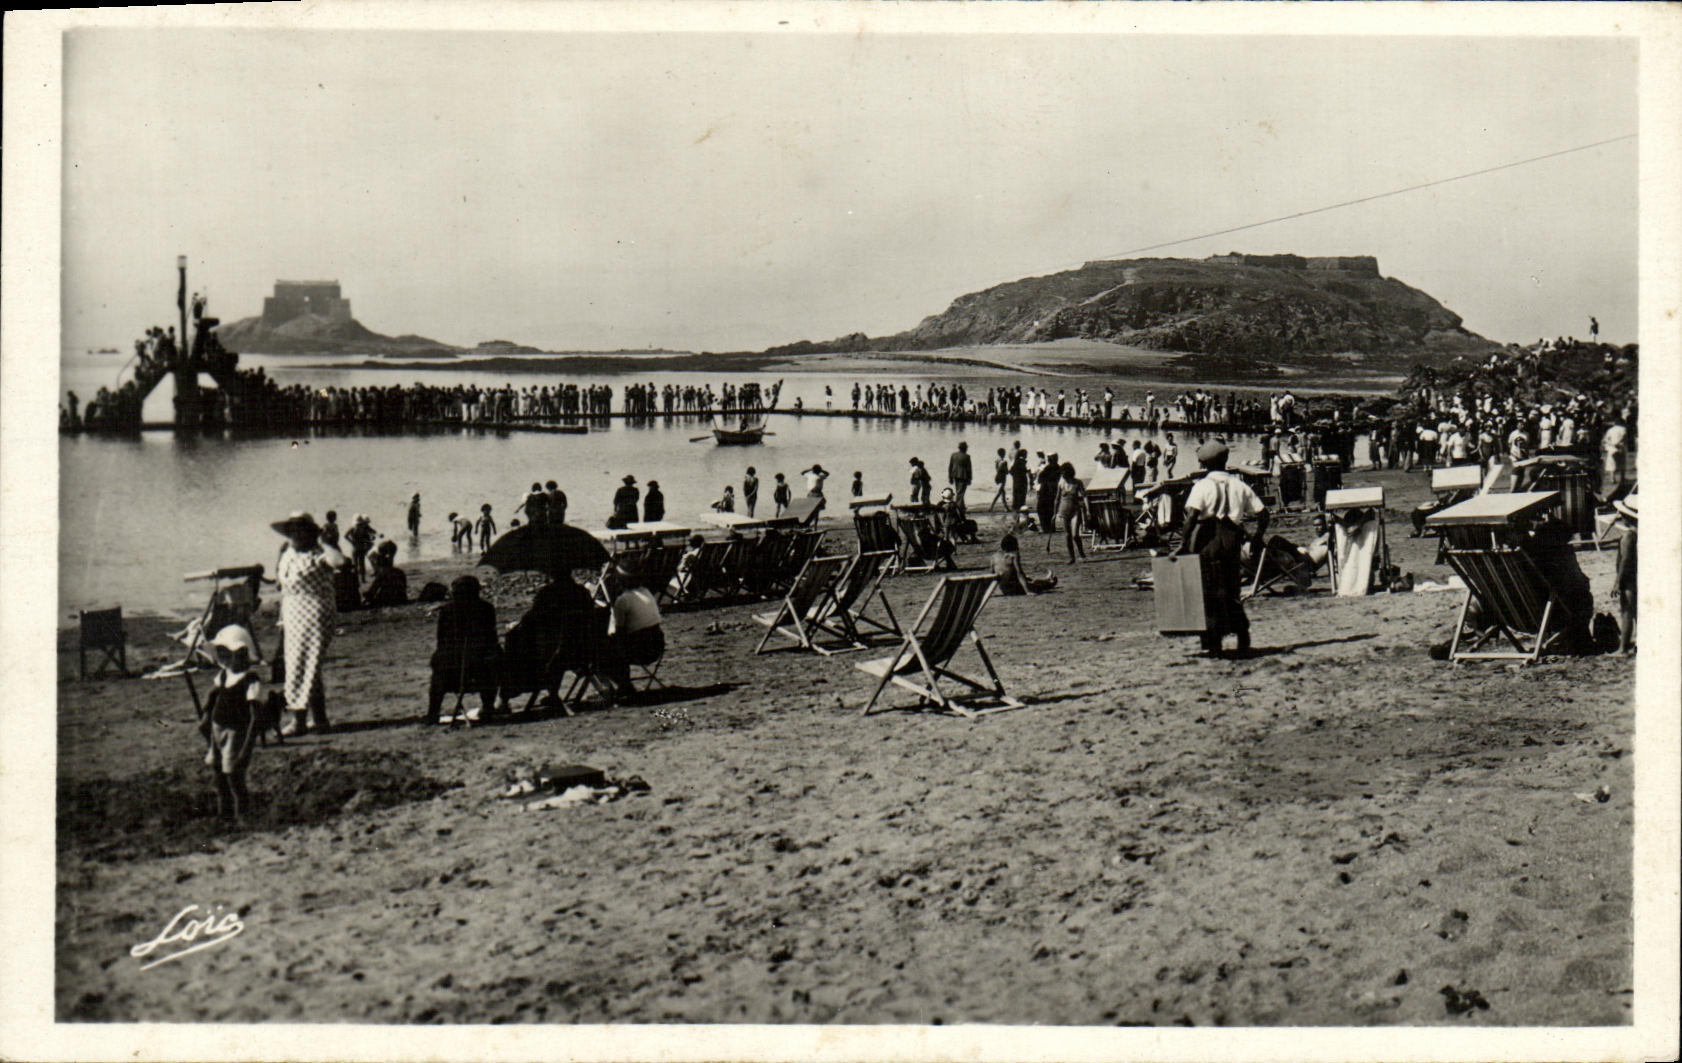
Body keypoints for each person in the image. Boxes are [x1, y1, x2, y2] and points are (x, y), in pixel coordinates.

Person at [1176, 442, 1269, 657]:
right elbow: (1264, 515)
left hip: (1208, 540)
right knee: (1231, 589)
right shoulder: (1240, 485)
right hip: (1232, 540)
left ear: (1205, 463)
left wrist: (1183, 543)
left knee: (1209, 590)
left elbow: (1191, 517)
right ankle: (1243, 637)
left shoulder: (1202, 486)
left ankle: (1214, 642)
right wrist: (1256, 538)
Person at [270, 511, 347, 736]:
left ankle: (299, 721)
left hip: (315, 611)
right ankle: (320, 720)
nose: (296, 536)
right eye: (292, 531)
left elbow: (340, 562)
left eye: (301, 531)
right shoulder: (287, 552)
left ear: (310, 533)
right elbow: (279, 582)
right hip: (292, 612)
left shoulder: (319, 553)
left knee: (304, 663)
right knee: (303, 664)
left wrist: (325, 544)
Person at [499, 575, 602, 713]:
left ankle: (506, 698)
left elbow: (530, 618)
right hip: (583, 651)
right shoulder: (582, 592)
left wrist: (516, 626)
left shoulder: (548, 593)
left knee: (515, 641)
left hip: (555, 653)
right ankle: (551, 693)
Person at [199, 624, 264, 820]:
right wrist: (206, 711)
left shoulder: (251, 681)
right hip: (217, 728)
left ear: (243, 653)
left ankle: (242, 816)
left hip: (236, 732)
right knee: (218, 775)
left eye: (228, 653)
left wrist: (246, 749)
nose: (224, 659)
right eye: (221, 654)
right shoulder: (224, 675)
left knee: (234, 776)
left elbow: (256, 717)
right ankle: (223, 813)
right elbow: (214, 695)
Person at [427, 574, 501, 725]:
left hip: (452, 675)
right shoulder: (486, 609)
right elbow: (491, 639)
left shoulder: (448, 611)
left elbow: (441, 641)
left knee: (438, 671)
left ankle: (433, 713)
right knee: (494, 659)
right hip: (482, 673)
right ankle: (488, 706)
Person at [601, 566, 665, 701]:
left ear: (620, 582)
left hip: (639, 651)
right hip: (657, 646)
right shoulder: (647, 592)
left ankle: (623, 685)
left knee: (603, 652)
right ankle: (624, 685)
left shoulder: (623, 601)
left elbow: (620, 633)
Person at [991, 533, 1058, 595]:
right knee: (1037, 585)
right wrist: (1027, 591)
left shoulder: (994, 556)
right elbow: (1019, 573)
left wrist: (990, 592)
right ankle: (1049, 581)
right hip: (1014, 588)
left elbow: (992, 575)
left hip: (1003, 589)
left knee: (1029, 579)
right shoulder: (1013, 556)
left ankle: (1047, 579)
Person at [1613, 493, 1636, 654]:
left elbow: (1625, 560)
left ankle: (1623, 648)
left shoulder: (1628, 536)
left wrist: (1617, 582)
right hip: (1639, 574)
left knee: (1626, 611)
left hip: (1628, 577)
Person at [1056, 462, 1087, 563]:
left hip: (1075, 511)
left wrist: (1088, 510)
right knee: (1067, 535)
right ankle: (1071, 557)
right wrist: (1054, 513)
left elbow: (1084, 496)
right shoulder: (1061, 484)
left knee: (1075, 535)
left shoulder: (1077, 482)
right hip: (1063, 511)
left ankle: (1081, 554)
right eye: (1062, 473)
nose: (1063, 475)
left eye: (1064, 473)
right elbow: (1057, 499)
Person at [364, 540, 408, 607]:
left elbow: (372, 591)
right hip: (402, 597)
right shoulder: (400, 572)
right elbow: (404, 586)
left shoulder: (381, 574)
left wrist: (368, 597)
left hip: (389, 599)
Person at [1035, 452, 1061, 546]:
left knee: (1042, 509)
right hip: (1051, 490)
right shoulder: (1058, 468)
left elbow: (1040, 478)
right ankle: (1050, 527)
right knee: (1049, 509)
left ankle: (1046, 527)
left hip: (1046, 490)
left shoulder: (1048, 468)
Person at [346, 514, 379, 582]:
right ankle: (362, 579)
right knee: (360, 564)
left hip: (356, 548)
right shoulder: (361, 528)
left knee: (357, 564)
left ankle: (358, 579)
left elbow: (345, 536)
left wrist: (352, 542)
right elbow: (367, 535)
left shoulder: (353, 528)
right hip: (360, 547)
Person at [948, 441, 973, 518]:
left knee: (958, 491)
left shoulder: (953, 455)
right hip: (963, 476)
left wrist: (950, 477)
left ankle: (962, 507)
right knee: (960, 493)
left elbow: (950, 466)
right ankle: (958, 508)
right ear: (965, 448)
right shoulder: (967, 456)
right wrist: (970, 478)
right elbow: (969, 469)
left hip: (955, 475)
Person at [1009, 447, 1030, 513]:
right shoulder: (1022, 462)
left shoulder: (1016, 462)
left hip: (1015, 482)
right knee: (1022, 498)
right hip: (1022, 482)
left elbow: (1011, 471)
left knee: (1016, 497)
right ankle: (1020, 511)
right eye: (1026, 454)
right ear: (1023, 455)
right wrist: (1027, 471)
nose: (1027, 455)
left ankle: (1015, 511)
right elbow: (1023, 471)